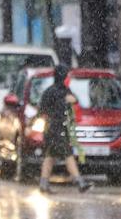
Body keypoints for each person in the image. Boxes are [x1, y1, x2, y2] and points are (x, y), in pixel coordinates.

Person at [38, 64, 91, 194]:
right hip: (57, 130)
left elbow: (73, 100)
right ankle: (80, 182)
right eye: (67, 76)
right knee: (67, 154)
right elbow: (72, 100)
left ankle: (43, 183)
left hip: (53, 129)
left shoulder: (54, 90)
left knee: (50, 155)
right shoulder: (58, 91)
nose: (69, 78)